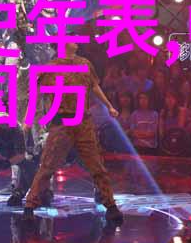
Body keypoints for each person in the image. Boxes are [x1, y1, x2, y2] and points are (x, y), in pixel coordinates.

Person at [0, 0, 92, 195]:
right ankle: (17, 181)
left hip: (41, 58)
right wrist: (1, 52)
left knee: (43, 121)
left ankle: (44, 181)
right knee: (18, 123)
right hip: (20, 59)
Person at [22, 41, 124, 225]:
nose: (76, 41)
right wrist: (29, 118)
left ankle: (111, 205)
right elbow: (36, 93)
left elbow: (94, 86)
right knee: (47, 166)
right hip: (62, 122)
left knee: (97, 166)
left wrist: (109, 106)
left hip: (83, 122)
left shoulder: (84, 64)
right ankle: (30, 205)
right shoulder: (50, 68)